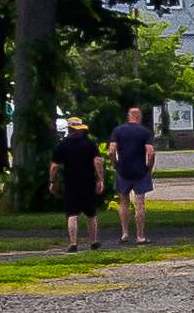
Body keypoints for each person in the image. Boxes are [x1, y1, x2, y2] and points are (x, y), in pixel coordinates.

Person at [51, 113, 108, 251]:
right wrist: (100, 179)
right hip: (88, 181)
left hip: (70, 182)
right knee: (91, 214)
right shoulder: (89, 144)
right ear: (80, 129)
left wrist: (53, 181)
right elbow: (97, 161)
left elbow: (54, 165)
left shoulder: (63, 145)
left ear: (69, 129)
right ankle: (94, 241)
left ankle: (73, 243)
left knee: (72, 214)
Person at [110, 103, 157, 244]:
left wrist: (115, 164)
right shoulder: (145, 132)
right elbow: (151, 152)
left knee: (123, 202)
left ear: (128, 116)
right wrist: (149, 167)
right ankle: (140, 235)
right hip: (140, 170)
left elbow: (111, 150)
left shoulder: (118, 130)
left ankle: (124, 233)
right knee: (140, 202)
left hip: (123, 170)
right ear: (139, 117)